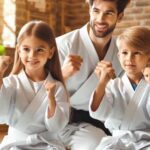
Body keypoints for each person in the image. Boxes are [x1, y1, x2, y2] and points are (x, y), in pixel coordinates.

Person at [56, 0, 130, 149]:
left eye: (108, 13)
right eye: (96, 11)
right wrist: (62, 75)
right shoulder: (64, 45)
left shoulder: (121, 52)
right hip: (61, 122)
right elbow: (36, 91)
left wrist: (114, 82)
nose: (100, 19)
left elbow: (123, 97)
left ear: (119, 16)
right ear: (89, 11)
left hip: (101, 124)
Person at [0, 20, 69, 150]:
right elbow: (1, 114)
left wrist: (51, 98)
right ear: (18, 50)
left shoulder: (57, 87)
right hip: (16, 144)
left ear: (51, 52)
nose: (32, 55)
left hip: (47, 144)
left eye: (40, 50)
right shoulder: (11, 83)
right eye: (26, 49)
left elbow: (57, 126)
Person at [89, 26, 150, 150]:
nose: (129, 58)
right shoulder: (113, 85)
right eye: (125, 53)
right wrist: (102, 82)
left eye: (137, 53)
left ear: (149, 58)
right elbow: (98, 112)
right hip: (118, 142)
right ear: (118, 56)